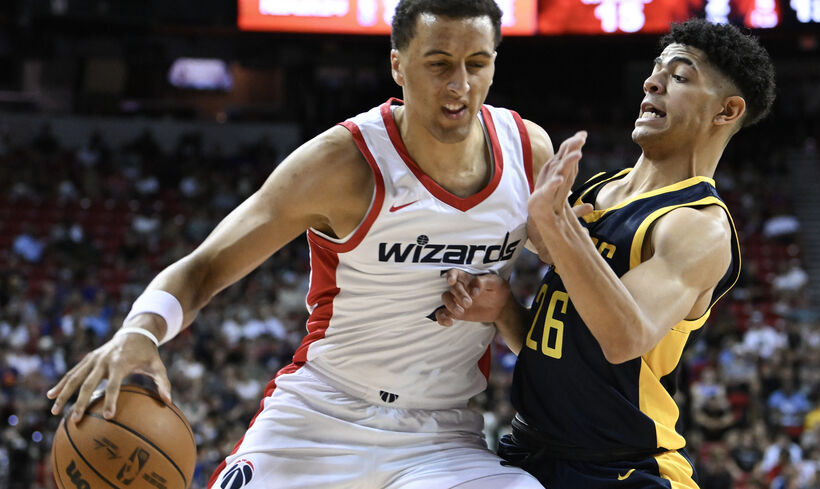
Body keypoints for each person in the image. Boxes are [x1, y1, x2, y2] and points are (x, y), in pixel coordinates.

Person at [46, 1, 556, 487]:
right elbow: (205, 267)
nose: (459, 84)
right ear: (398, 66)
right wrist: (142, 329)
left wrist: (511, 301)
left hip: (442, 435)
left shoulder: (527, 153)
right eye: (438, 63)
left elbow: (569, 314)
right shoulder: (341, 164)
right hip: (319, 418)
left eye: (477, 63)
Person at [437, 19, 776, 488]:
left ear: (726, 111)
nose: (652, 81)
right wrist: (504, 311)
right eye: (656, 70)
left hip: (621, 467)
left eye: (679, 76)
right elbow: (570, 352)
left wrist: (558, 228)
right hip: (529, 450)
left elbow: (622, 338)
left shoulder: (699, 227)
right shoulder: (600, 190)